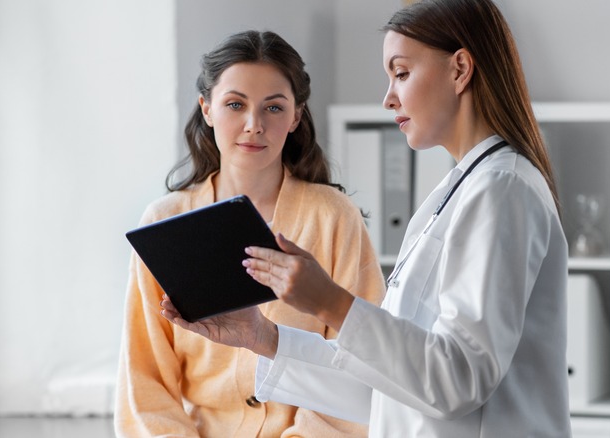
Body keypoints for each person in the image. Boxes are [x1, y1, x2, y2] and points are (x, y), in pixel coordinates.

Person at [162, 0, 571, 436]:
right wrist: (262, 337)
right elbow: (388, 389)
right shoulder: (459, 190)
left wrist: (330, 302)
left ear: (460, 69)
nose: (388, 97)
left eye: (401, 73)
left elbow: (458, 381)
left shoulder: (501, 189)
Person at [116, 30, 386, 437]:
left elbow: (364, 362)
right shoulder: (162, 224)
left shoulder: (334, 218)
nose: (254, 125)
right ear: (207, 109)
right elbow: (144, 383)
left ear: (296, 116)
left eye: (274, 108)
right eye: (235, 104)